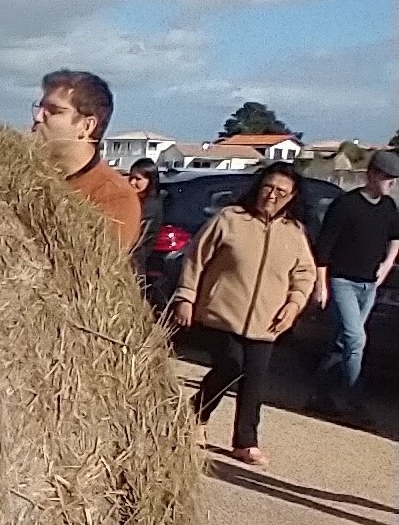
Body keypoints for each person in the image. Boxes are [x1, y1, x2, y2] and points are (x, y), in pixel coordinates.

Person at [171, 164, 316, 468]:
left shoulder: (294, 232)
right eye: (267, 187)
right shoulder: (230, 219)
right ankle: (197, 414)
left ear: (292, 197)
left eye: (281, 192)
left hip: (267, 321)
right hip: (221, 313)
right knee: (231, 364)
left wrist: (293, 305)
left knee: (255, 382)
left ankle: (245, 442)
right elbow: (196, 257)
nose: (271, 196)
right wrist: (186, 296)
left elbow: (304, 274)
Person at [309, 147, 399, 428]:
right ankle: (352, 403)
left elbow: (396, 238)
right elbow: (323, 248)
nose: (391, 184)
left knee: (342, 343)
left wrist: (386, 266)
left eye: (394, 179)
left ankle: (319, 396)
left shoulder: (388, 207)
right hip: (342, 282)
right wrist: (321, 285)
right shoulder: (346, 205)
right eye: (387, 178)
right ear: (371, 175)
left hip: (369, 286)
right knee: (356, 341)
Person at [30, 70, 141, 252]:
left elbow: (89, 268)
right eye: (39, 108)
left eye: (53, 111)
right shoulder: (27, 175)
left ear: (87, 126)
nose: (38, 118)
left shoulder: (115, 198)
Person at [128, 157, 165, 288]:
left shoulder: (151, 206)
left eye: (138, 179)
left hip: (134, 267)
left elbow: (135, 240)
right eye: (130, 177)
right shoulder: (134, 200)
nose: (132, 182)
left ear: (150, 181)